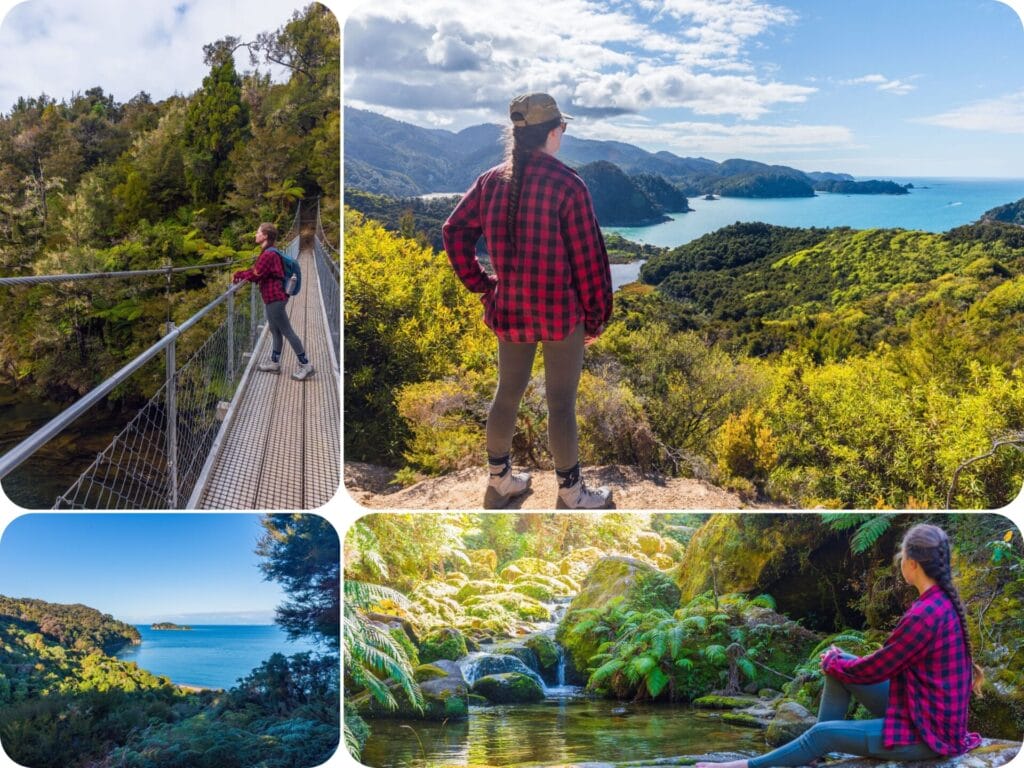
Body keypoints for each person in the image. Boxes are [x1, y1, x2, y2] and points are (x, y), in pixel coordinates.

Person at [442, 92, 613, 510]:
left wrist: (482, 284)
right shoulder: (567, 184)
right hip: (561, 314)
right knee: (561, 403)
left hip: (511, 309)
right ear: (552, 132)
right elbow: (589, 260)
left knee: (508, 393)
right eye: (563, 128)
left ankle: (499, 482)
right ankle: (571, 493)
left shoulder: (490, 180)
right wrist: (595, 319)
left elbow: (453, 231)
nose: (564, 133)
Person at [696, 523, 984, 768]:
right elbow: (887, 661)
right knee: (838, 663)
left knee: (823, 729)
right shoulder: (940, 603)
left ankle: (746, 765)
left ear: (912, 564)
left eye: (902, 556)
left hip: (926, 736)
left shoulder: (925, 614)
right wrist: (839, 662)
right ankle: (812, 755)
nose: (899, 562)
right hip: (923, 712)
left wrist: (836, 662)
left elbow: (879, 668)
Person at [232, 223, 314, 381]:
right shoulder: (269, 252)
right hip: (272, 297)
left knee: (287, 331)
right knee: (275, 331)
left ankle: (306, 365)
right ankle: (274, 363)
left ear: (265, 236)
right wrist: (242, 273)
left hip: (275, 298)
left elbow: (256, 274)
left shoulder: (269, 254)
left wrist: (239, 274)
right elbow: (257, 271)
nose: (255, 235)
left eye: (258, 232)